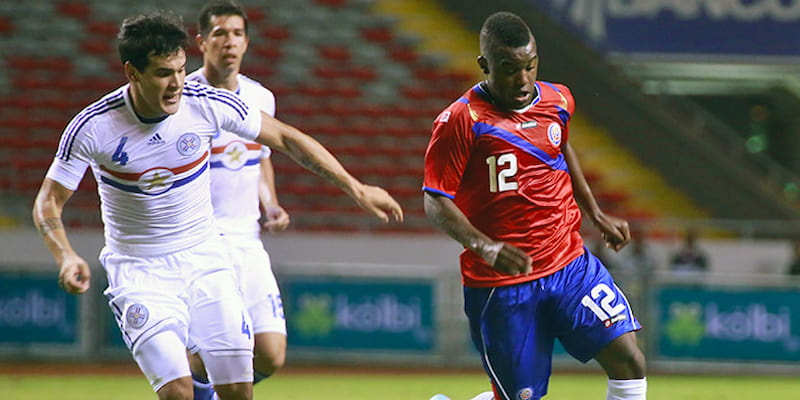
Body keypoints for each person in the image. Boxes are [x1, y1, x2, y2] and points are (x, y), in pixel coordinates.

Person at [31, 11, 402, 400]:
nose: (176, 84)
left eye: (180, 69)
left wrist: (356, 188)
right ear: (132, 73)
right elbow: (48, 202)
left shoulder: (204, 103)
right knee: (178, 392)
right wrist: (66, 255)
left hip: (207, 260)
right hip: (140, 271)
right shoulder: (93, 127)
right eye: (162, 73)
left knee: (240, 389)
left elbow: (288, 139)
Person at [422, 11, 646, 400]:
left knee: (628, 361)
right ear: (484, 65)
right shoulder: (461, 120)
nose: (523, 80)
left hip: (570, 264)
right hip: (504, 284)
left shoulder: (558, 99)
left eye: (530, 66)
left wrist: (594, 212)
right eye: (509, 69)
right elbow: (435, 200)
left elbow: (559, 146)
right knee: (520, 397)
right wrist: (486, 247)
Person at [184, 1, 288, 398]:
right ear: (202, 42)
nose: (230, 42)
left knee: (270, 355)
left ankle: (198, 390)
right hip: (204, 246)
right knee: (215, 354)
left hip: (248, 241)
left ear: (246, 42)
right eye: (220, 34)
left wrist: (271, 205)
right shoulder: (184, 97)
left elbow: (260, 159)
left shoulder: (262, 98)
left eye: (237, 34)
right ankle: (178, 383)